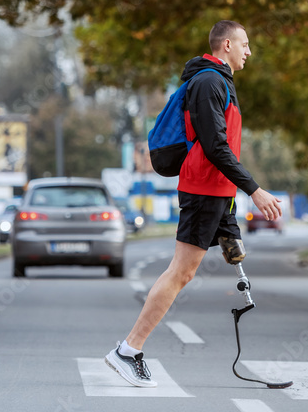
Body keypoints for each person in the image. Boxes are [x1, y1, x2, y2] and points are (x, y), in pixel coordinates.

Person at [105, 20, 283, 387]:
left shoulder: (219, 82)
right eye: (245, 45)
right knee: (180, 272)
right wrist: (255, 189)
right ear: (227, 45)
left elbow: (223, 147)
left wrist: (229, 218)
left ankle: (130, 348)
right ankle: (128, 349)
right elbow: (215, 147)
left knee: (182, 271)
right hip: (202, 189)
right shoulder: (209, 83)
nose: (249, 52)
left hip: (215, 192)